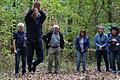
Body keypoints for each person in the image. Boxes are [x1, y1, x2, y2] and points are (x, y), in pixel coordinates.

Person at [25, 1, 46, 73]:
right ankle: (30, 67)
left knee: (41, 58)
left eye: (36, 13)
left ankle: (34, 64)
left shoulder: (39, 21)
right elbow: (27, 16)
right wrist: (32, 9)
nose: (35, 14)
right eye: (33, 13)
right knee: (29, 58)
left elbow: (44, 16)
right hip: (30, 42)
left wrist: (39, 9)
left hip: (38, 41)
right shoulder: (28, 21)